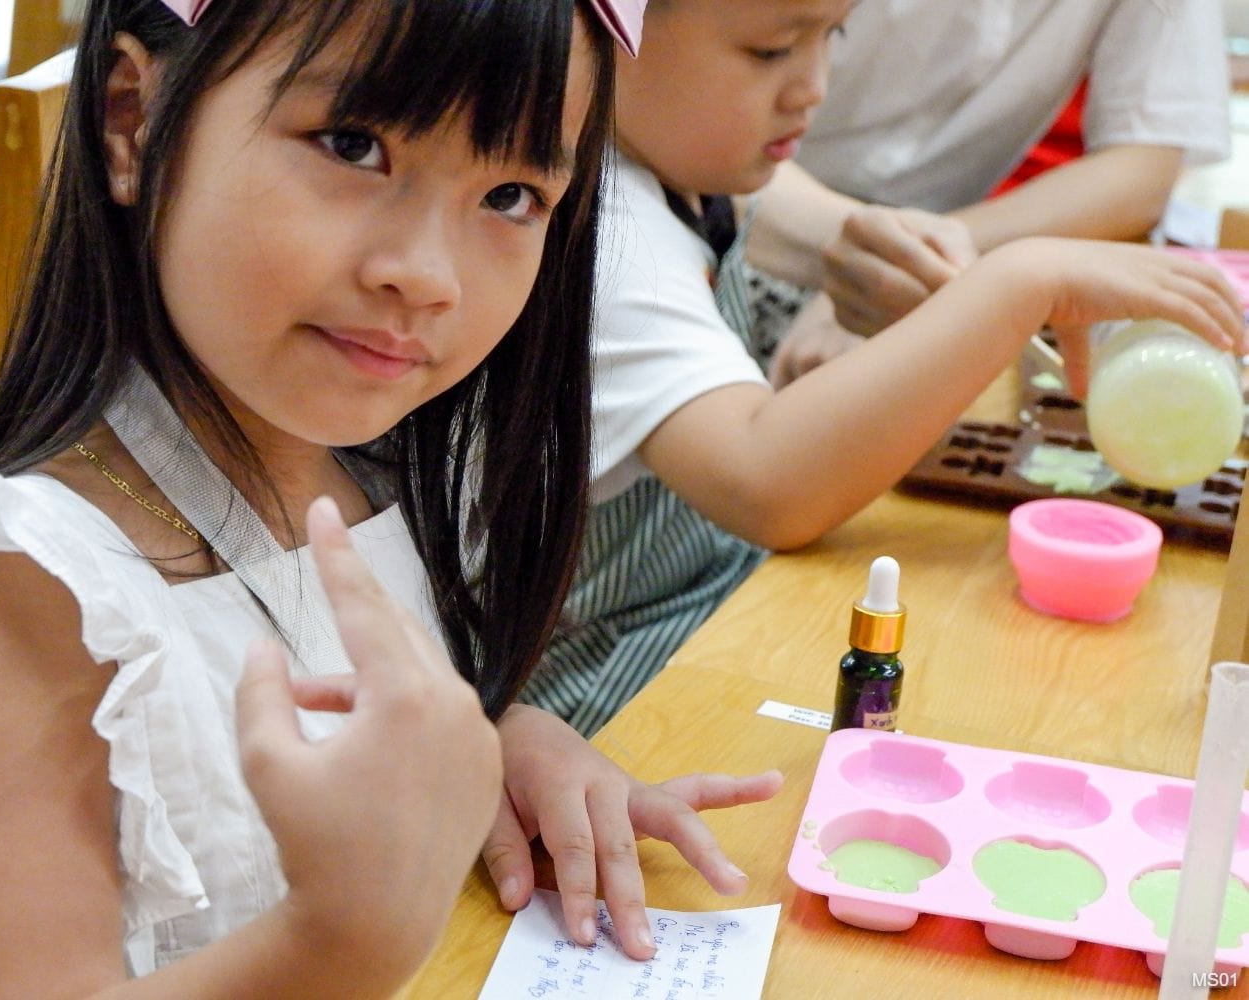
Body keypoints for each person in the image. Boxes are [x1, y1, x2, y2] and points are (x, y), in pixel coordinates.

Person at [0, 0, 773, 994]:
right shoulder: (31, 578)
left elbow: (335, 695)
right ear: (133, 119)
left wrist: (507, 744)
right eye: (354, 145)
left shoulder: (388, 468)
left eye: (510, 196)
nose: (426, 276)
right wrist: (335, 938)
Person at [515, 0, 1246, 743]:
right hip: (593, 690)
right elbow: (766, 482)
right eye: (771, 51)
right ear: (613, 29)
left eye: (832, 37)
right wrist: (1023, 282)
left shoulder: (684, 177)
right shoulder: (603, 224)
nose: (814, 87)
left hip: (701, 604)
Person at [740, 0, 1231, 384]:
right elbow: (683, 121)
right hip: (735, 223)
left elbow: (1139, 174)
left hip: (931, 277)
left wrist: (896, 257)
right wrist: (873, 254)